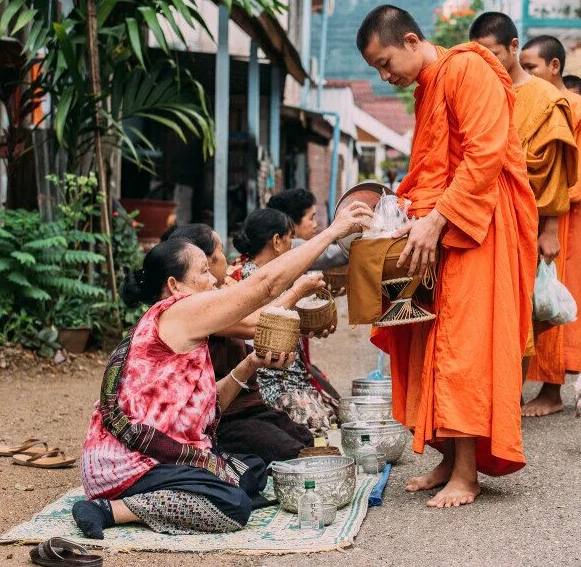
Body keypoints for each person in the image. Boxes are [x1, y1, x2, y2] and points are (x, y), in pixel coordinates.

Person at [74, 201, 372, 538]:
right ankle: (109, 508)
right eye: (203, 271)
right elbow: (266, 286)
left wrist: (251, 363)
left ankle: (180, 488)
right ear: (175, 285)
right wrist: (333, 232)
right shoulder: (180, 311)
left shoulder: (183, 319)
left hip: (152, 453)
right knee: (233, 504)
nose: (214, 278)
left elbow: (206, 405)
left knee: (253, 473)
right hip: (128, 463)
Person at [357, 4, 538, 508]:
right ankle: (447, 455)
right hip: (443, 224)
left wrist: (437, 220)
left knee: (464, 345)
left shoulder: (469, 68)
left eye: (386, 61)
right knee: (432, 337)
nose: (385, 74)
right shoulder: (429, 88)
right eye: (376, 69)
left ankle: (468, 473)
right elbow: (433, 165)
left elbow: (484, 153)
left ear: (412, 40)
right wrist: (408, 215)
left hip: (482, 224)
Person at [469, 11, 578, 378]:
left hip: (525, 220)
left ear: (514, 47)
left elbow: (556, 170)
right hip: (481, 217)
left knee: (519, 309)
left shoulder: (545, 98)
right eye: (479, 56)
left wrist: (549, 230)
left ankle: (509, 395)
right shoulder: (478, 93)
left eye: (493, 53)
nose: (487, 63)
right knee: (482, 309)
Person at [165, 223, 315, 464]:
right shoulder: (190, 310)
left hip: (246, 406)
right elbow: (258, 319)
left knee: (304, 439)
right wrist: (297, 291)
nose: (214, 277)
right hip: (220, 419)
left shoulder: (214, 294)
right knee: (291, 454)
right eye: (205, 269)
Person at [518, 35, 581, 417]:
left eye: (531, 67)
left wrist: (550, 222)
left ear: (554, 67)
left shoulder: (577, 109)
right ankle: (524, 384)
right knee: (533, 298)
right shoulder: (530, 101)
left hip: (567, 217)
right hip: (536, 214)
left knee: (557, 297)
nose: (523, 73)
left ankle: (552, 392)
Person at [227, 208, 341, 429]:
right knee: (321, 424)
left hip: (291, 377)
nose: (294, 244)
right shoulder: (250, 278)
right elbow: (261, 327)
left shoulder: (279, 276)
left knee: (336, 413)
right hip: (272, 382)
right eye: (291, 238)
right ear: (277, 241)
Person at [267, 188, 348, 269]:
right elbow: (329, 255)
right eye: (311, 218)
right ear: (291, 222)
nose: (315, 224)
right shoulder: (291, 247)